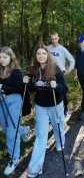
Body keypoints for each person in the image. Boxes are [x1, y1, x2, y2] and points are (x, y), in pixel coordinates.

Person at [23, 45, 67, 178]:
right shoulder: (34, 70)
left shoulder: (55, 69)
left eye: (43, 53)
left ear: (47, 55)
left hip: (55, 104)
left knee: (57, 126)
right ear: (36, 56)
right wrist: (27, 82)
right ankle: (35, 168)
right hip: (40, 106)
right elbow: (31, 89)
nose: (41, 56)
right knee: (41, 135)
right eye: (38, 54)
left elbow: (64, 89)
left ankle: (60, 142)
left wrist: (57, 86)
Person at [0, 46, 30, 176]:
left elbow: (19, 88)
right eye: (0, 57)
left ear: (11, 57)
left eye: (4, 57)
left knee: (11, 132)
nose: (2, 60)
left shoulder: (16, 71)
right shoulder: (0, 70)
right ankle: (25, 130)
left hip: (14, 101)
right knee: (6, 130)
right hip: (2, 102)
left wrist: (2, 87)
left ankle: (14, 159)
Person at [47, 31, 75, 116]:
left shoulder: (62, 49)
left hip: (60, 73)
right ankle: (52, 111)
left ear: (58, 38)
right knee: (50, 92)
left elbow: (72, 60)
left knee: (62, 91)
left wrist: (69, 70)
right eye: (52, 39)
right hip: (49, 73)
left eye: (56, 39)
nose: (54, 41)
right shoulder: (47, 48)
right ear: (50, 39)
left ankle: (65, 108)